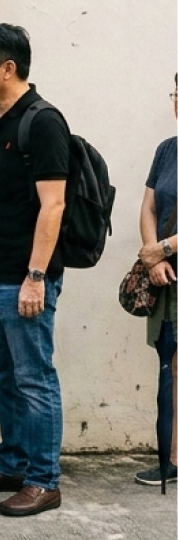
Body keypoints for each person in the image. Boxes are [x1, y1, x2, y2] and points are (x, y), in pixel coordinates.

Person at [0, 23, 70, 517]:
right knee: (5, 376)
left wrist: (36, 277)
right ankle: (13, 463)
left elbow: (53, 205)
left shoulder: (43, 122)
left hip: (25, 280)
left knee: (34, 378)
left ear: (8, 67)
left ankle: (44, 481)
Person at [134, 74, 177, 486]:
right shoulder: (167, 150)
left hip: (171, 260)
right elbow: (148, 206)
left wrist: (164, 248)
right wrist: (152, 256)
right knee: (172, 363)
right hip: (167, 274)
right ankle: (173, 457)